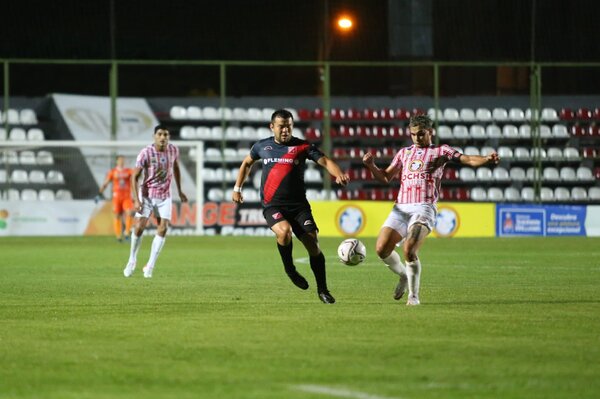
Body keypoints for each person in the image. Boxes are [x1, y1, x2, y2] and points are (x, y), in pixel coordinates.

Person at [362, 114, 499, 306]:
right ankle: (403, 275)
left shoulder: (441, 151)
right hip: (400, 208)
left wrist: (485, 159)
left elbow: (467, 159)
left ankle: (413, 296)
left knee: (409, 249)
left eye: (421, 134)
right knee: (381, 249)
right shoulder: (404, 153)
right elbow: (385, 178)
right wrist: (371, 166)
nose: (417, 138)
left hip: (424, 208)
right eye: (413, 134)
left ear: (430, 132)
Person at [232, 109, 350, 304]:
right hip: (273, 205)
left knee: (313, 245)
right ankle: (290, 269)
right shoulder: (262, 146)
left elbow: (326, 161)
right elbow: (246, 163)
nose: (285, 130)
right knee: (284, 232)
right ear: (272, 127)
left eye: (289, 126)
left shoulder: (302, 146)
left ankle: (323, 290)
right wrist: (237, 188)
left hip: (299, 206)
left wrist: (337, 174)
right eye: (281, 126)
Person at [123, 125, 187, 278]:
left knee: (163, 228)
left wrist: (179, 190)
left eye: (166, 134)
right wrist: (137, 199)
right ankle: (132, 259)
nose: (163, 137)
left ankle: (150, 265)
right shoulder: (145, 153)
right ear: (154, 136)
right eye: (160, 134)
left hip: (165, 195)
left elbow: (176, 168)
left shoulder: (173, 150)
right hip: (147, 194)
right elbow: (134, 176)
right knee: (139, 226)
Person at [97, 155, 135, 242]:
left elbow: (136, 177)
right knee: (117, 215)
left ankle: (126, 233)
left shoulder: (129, 171)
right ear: (117, 161)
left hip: (126, 197)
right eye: (120, 160)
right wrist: (99, 194)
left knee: (129, 213)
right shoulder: (113, 172)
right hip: (116, 197)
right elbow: (105, 183)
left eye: (123, 160)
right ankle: (118, 236)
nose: (122, 161)